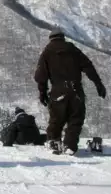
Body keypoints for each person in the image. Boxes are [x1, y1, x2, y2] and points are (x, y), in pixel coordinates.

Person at [34, 27, 106, 155]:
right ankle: (70, 145)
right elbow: (89, 67)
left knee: (56, 119)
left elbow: (41, 76)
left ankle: (53, 142)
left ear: (51, 39)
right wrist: (98, 84)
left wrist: (42, 92)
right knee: (76, 119)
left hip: (58, 92)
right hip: (75, 91)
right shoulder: (73, 50)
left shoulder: (47, 52)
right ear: (63, 37)